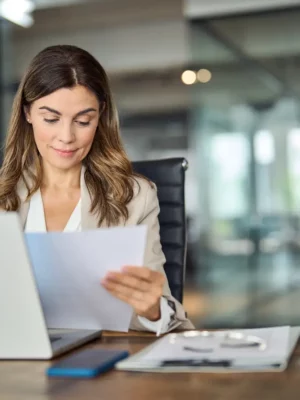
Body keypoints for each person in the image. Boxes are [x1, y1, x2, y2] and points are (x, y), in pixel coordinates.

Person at [0, 45, 194, 334]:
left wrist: (152, 310)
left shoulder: (135, 197)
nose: (66, 137)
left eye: (83, 121)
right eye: (51, 119)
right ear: (27, 113)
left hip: (103, 359)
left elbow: (166, 315)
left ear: (100, 116)